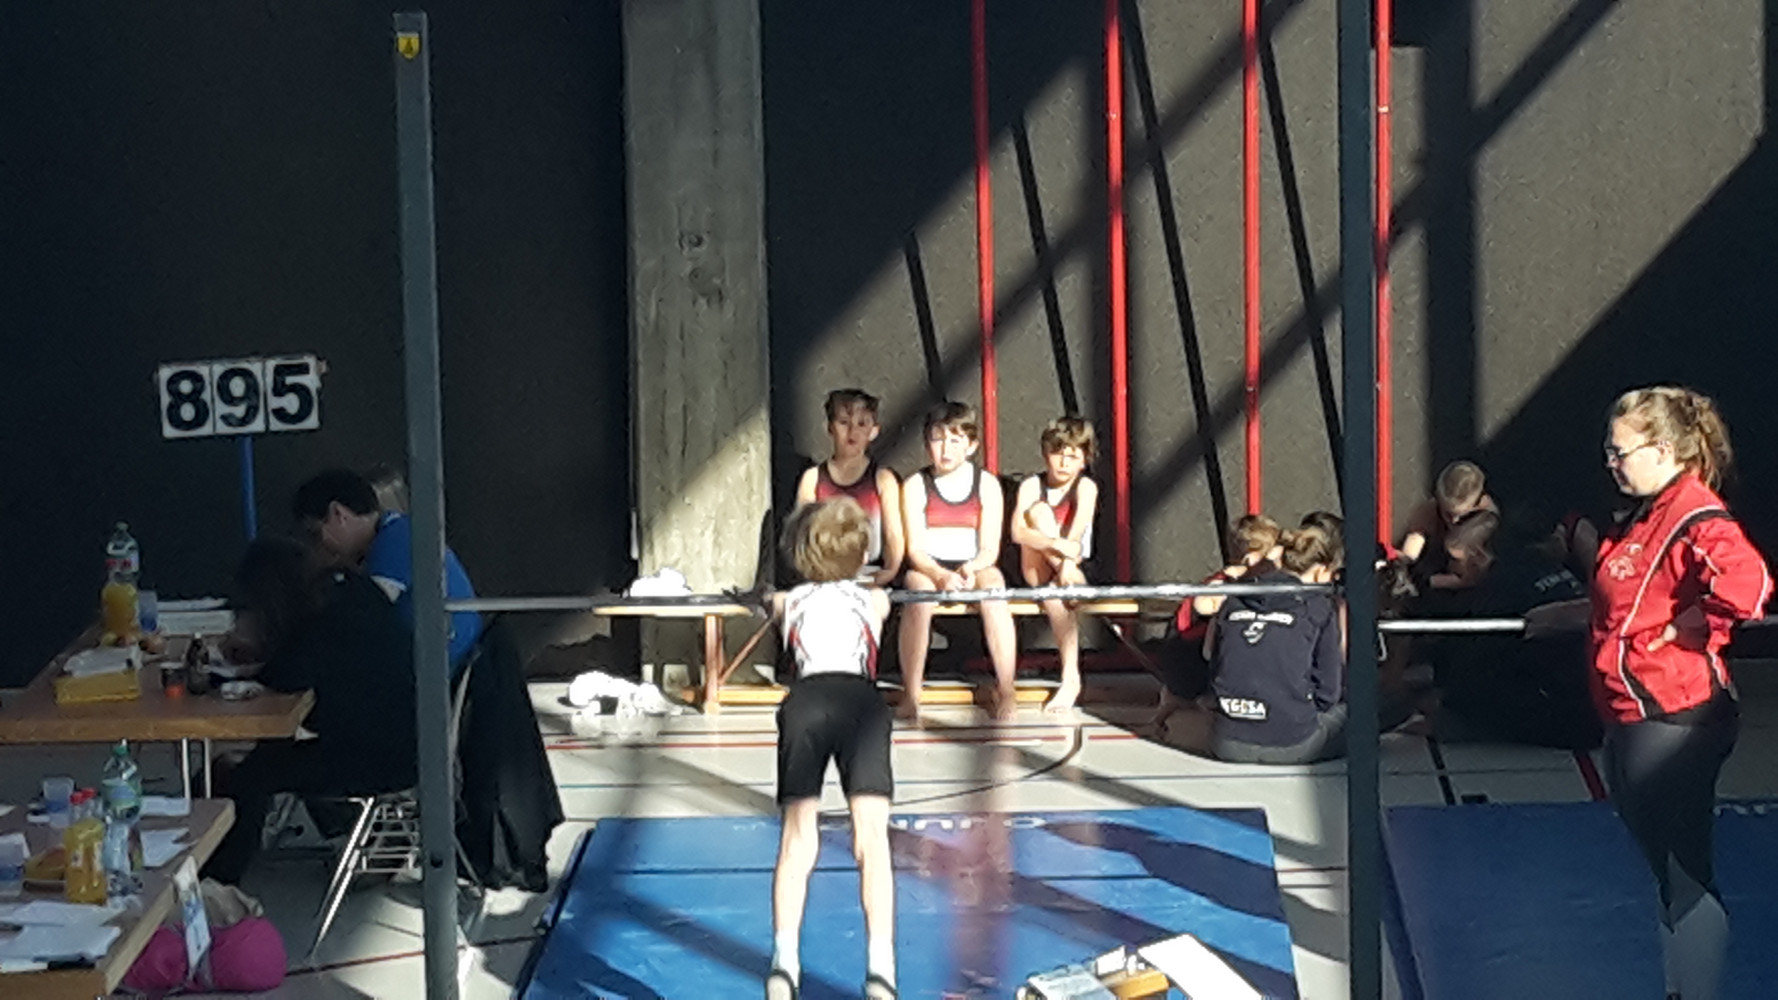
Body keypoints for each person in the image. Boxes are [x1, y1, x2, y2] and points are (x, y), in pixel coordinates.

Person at [1526, 387, 1770, 1000]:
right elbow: (1631, 604)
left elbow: (1748, 583)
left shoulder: (1695, 515)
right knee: (1665, 874)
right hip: (1627, 713)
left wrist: (1687, 627)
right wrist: (1571, 614)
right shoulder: (1640, 515)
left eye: (1621, 452)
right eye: (1608, 452)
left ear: (1663, 450)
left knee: (1684, 872)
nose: (1611, 463)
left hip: (1675, 715)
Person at [205, 536, 418, 883]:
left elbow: (286, 676)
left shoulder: (325, 622)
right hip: (403, 739)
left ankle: (221, 879)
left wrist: (246, 665)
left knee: (252, 776)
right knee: (268, 755)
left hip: (378, 757)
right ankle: (331, 828)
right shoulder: (351, 591)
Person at [766, 498, 898, 1000]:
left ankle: (784, 963)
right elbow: (879, 602)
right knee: (872, 840)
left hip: (806, 702)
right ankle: (881, 969)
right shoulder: (875, 601)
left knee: (797, 838)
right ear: (861, 554)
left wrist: (764, 597)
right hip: (860, 703)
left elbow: (773, 603)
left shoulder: (789, 602)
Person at [292, 469, 482, 675]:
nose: (318, 546)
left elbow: (363, 617)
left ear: (338, 513)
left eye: (315, 533)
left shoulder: (394, 541)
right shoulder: (401, 530)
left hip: (441, 672)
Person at [898, 402, 1019, 722]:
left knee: (994, 589)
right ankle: (912, 692)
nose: (946, 449)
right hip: (929, 566)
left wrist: (973, 568)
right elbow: (915, 550)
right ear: (927, 444)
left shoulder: (987, 484)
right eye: (938, 440)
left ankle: (1007, 690)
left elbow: (990, 548)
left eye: (955, 440)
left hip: (974, 564)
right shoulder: (915, 485)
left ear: (971, 445)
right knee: (918, 594)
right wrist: (938, 574)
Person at [1206, 523, 1347, 764]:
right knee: (1369, 710)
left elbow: (1213, 661)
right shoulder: (1318, 608)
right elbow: (1328, 693)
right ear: (1321, 571)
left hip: (1227, 741)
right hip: (1292, 743)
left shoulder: (1234, 598)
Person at [1151, 514, 1281, 735]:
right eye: (1271, 560)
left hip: (1190, 653)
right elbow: (1204, 606)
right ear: (1252, 559)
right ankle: (1208, 704)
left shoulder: (1248, 581)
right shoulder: (1223, 583)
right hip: (1190, 657)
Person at [1009, 416, 1099, 712]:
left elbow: (1077, 534)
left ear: (1084, 460)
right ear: (1046, 453)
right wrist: (1057, 549)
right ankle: (1066, 580)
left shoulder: (1086, 487)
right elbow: (1018, 533)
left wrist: (1068, 562)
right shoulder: (1031, 485)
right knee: (1039, 512)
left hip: (1073, 567)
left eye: (1072, 456)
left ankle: (1070, 678)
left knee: (1054, 597)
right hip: (1039, 567)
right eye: (1058, 453)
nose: (1063, 463)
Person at [793, 389, 904, 587]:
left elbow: (893, 535)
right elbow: (802, 535)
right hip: (823, 576)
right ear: (830, 427)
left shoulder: (883, 479)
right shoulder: (812, 478)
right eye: (844, 423)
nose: (852, 432)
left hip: (870, 572)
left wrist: (889, 572)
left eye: (862, 424)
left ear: (874, 431)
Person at [1397, 460, 1499, 592]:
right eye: (1448, 513)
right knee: (1425, 515)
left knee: (1459, 551)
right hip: (1443, 544)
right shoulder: (1432, 509)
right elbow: (1417, 532)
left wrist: (1429, 581)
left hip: (1469, 572)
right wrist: (1405, 561)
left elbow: (1471, 577)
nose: (1454, 520)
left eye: (1461, 515)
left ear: (1479, 503)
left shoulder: (1486, 520)